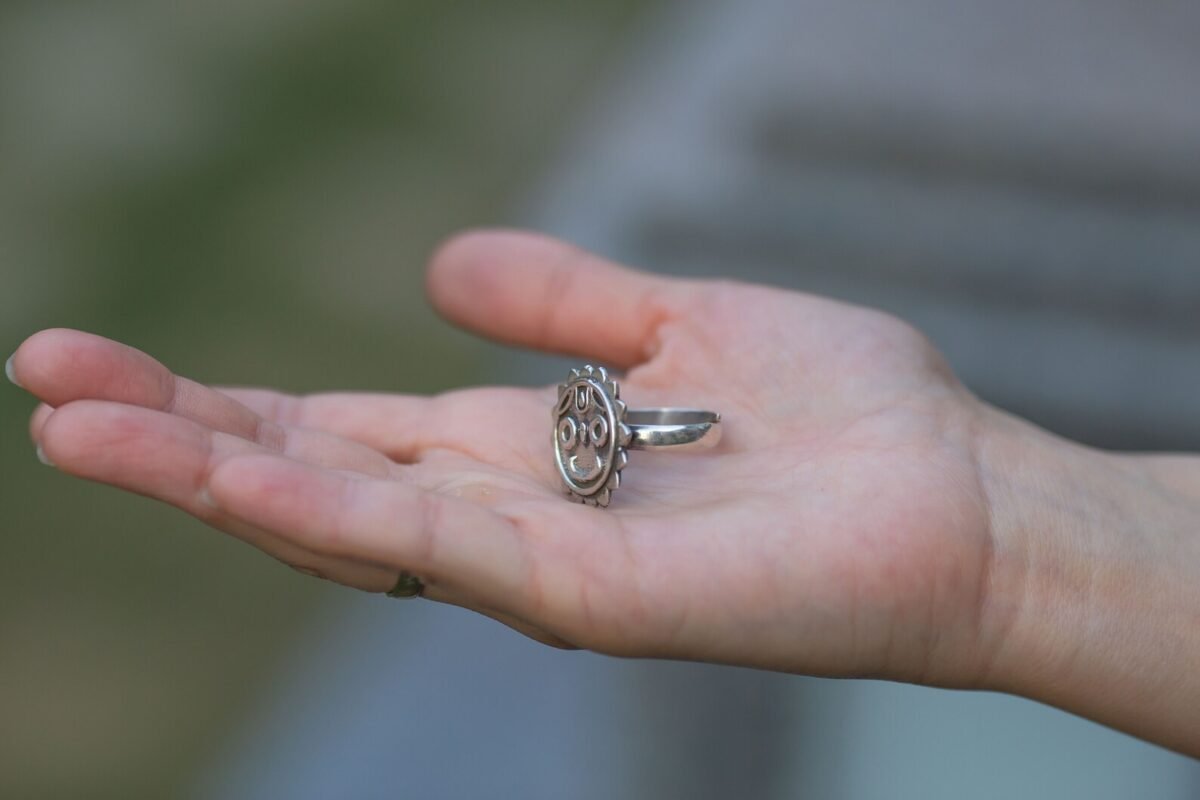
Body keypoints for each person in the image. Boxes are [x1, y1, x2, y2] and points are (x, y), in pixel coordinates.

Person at [9, 229, 1199, 758]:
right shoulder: (608, 427)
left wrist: (1008, 545)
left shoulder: (634, 432)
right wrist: (1018, 537)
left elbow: (630, 432)